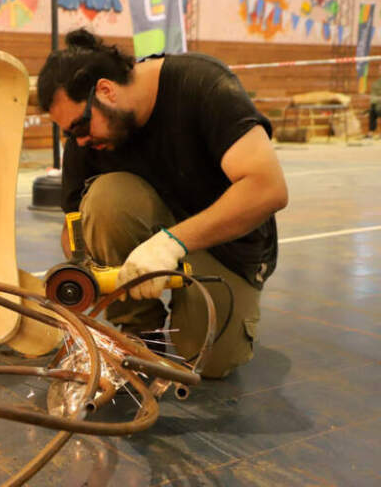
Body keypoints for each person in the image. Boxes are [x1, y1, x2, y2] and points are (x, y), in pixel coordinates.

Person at [37, 29, 288, 378]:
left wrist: (171, 243)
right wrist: (81, 267)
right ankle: (142, 334)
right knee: (106, 198)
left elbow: (268, 188)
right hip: (160, 230)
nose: (78, 141)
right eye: (69, 133)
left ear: (106, 90)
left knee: (208, 362)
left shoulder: (201, 84)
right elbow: (74, 223)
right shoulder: (88, 138)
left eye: (79, 127)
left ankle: (201, 316)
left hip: (226, 244)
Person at [369, 74, 381, 138]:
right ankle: (371, 133)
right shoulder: (376, 84)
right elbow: (373, 99)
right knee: (372, 111)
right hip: (377, 106)